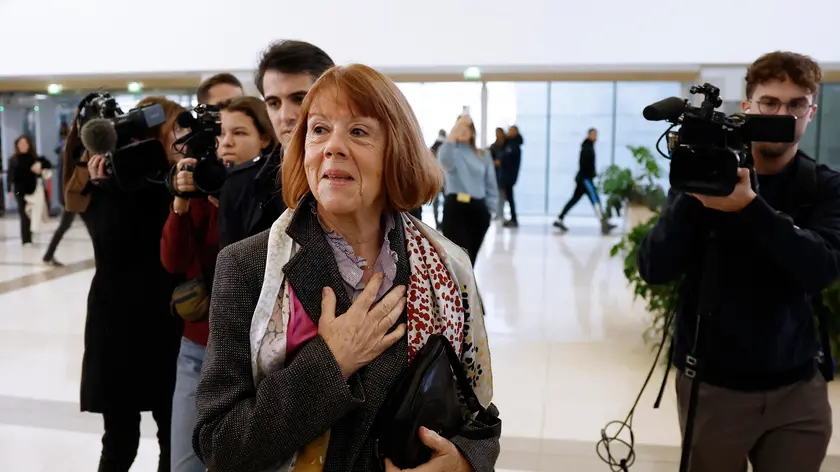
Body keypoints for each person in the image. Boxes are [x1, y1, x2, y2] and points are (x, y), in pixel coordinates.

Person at [194, 64, 500, 472]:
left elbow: (479, 412)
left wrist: (461, 462)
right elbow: (219, 443)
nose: (332, 146)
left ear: (397, 151)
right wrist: (330, 363)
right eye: (319, 130)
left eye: (358, 131)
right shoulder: (248, 267)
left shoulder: (447, 265)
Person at [638, 51, 839, 472]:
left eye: (796, 104)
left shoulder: (823, 186)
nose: (782, 113)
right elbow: (654, 267)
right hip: (713, 385)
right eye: (769, 102)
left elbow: (821, 269)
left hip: (797, 386)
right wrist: (696, 189)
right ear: (746, 106)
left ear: (811, 112)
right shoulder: (708, 174)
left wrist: (749, 206)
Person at [78, 96, 187, 472]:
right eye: (175, 129)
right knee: (120, 441)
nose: (182, 137)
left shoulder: (182, 184)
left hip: (167, 323)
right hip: (118, 325)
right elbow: (110, 248)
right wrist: (103, 188)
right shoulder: (113, 184)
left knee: (172, 437)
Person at [163, 98, 271, 472]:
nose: (225, 142)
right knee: (185, 464)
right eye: (221, 133)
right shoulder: (200, 185)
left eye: (238, 133)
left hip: (257, 352)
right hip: (198, 343)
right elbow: (173, 261)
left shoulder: (267, 196)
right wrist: (181, 201)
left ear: (266, 141)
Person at [216, 40, 334, 249]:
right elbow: (230, 275)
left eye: (299, 99)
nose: (285, 116)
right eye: (273, 103)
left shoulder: (365, 176)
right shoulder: (239, 187)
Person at [438, 115, 499, 266]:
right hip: (456, 208)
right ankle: (460, 288)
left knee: (471, 257)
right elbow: (444, 160)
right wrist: (454, 133)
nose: (464, 131)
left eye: (468, 128)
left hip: (478, 210)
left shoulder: (483, 155)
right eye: (460, 127)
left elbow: (491, 183)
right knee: (458, 257)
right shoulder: (451, 152)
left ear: (473, 132)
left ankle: (467, 288)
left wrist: (490, 210)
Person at [554, 128, 614, 235]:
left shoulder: (588, 146)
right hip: (585, 179)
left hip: (584, 178)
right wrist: (591, 174)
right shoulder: (586, 148)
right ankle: (604, 222)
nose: (595, 137)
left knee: (574, 200)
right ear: (589, 135)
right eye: (594, 134)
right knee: (595, 199)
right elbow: (584, 164)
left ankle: (559, 218)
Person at [8, 135, 52, 246]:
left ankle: (31, 234)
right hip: (19, 191)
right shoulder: (13, 160)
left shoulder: (34, 158)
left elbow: (48, 164)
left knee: (32, 213)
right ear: (17, 146)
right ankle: (26, 239)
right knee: (23, 213)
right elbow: (10, 176)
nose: (23, 146)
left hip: (32, 189)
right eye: (21, 144)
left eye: (25, 143)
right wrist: (9, 189)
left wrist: (40, 165)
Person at [43, 121, 75, 266]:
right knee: (64, 225)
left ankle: (48, 255)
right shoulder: (68, 148)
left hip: (71, 194)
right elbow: (66, 176)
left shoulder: (66, 147)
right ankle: (48, 255)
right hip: (72, 195)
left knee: (64, 226)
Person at [500, 125, 523, 228]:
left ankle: (513, 219)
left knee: (510, 198)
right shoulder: (509, 144)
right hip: (508, 176)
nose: (508, 132)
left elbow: (506, 159)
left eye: (511, 131)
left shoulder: (513, 146)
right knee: (509, 198)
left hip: (509, 177)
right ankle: (511, 218)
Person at [489, 127, 507, 219]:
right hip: (495, 174)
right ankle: (497, 213)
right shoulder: (494, 146)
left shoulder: (506, 146)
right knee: (498, 195)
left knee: (502, 195)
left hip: (504, 175)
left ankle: (500, 214)